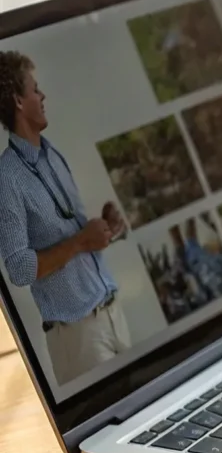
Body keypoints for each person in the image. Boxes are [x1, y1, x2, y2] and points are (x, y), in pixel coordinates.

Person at [0, 50, 131, 384]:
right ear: (18, 100)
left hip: (113, 315)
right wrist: (80, 241)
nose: (43, 96)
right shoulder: (7, 178)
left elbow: (77, 235)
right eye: (35, 89)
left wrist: (108, 229)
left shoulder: (52, 153)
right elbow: (19, 269)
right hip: (79, 338)